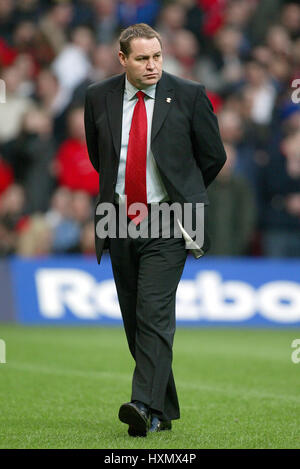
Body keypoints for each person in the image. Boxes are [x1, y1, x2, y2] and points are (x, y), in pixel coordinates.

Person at [84, 23, 226, 437]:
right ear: (122, 59)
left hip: (168, 220)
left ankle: (143, 406)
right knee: (134, 319)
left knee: (153, 313)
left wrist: (184, 191)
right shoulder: (97, 96)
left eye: (157, 56)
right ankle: (162, 408)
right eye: (143, 58)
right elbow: (100, 157)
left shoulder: (189, 94)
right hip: (119, 219)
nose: (152, 65)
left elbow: (212, 156)